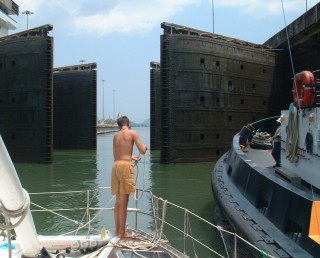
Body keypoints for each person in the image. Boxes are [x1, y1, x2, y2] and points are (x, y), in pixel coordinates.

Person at [111, 116, 148, 238]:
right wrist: (145, 147)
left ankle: (117, 230)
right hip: (126, 167)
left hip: (116, 166)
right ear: (129, 124)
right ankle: (122, 232)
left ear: (119, 125)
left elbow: (118, 155)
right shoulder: (133, 133)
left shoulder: (116, 136)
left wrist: (131, 157)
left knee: (118, 201)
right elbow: (142, 150)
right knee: (124, 202)